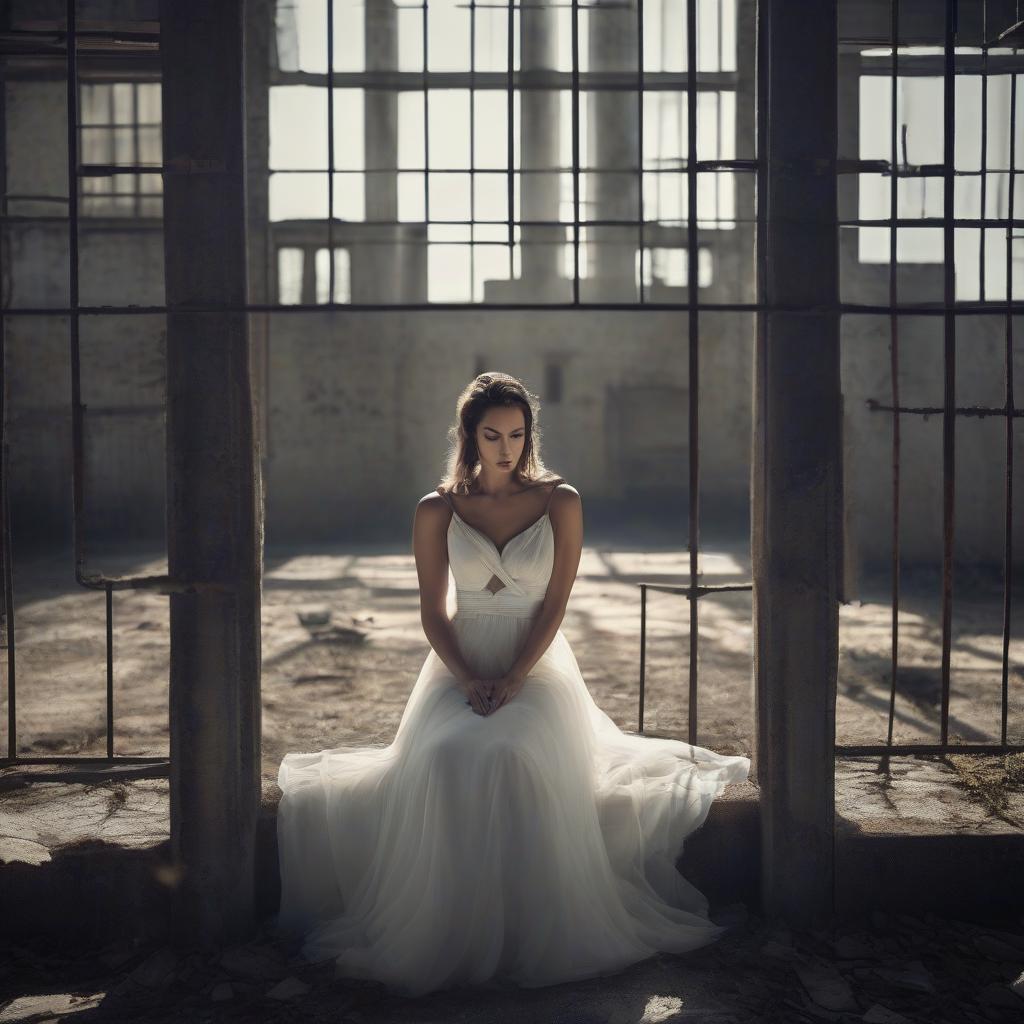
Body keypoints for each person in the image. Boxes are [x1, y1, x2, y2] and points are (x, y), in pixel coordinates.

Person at [275, 371, 751, 997]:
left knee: (511, 753)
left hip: (539, 662)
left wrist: (517, 675)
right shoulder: (436, 509)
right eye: (492, 435)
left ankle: (528, 931)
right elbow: (431, 610)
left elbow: (557, 603)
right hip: (459, 662)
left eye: (518, 434)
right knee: (447, 756)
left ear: (530, 435)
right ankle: (453, 932)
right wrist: (470, 676)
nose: (507, 447)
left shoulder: (561, 500)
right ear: (469, 436)